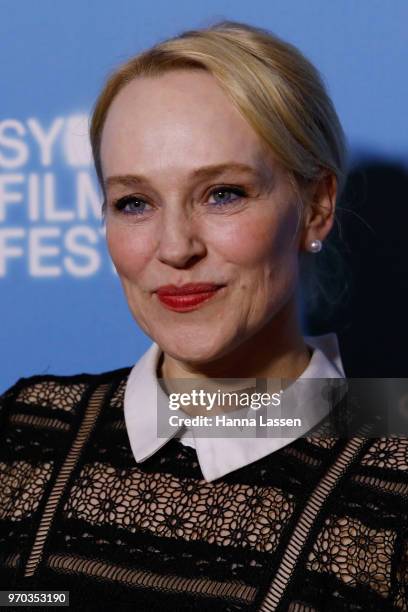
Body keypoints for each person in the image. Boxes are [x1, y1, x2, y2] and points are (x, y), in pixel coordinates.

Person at [0, 20, 406, 612]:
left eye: (223, 193)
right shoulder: (26, 431)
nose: (174, 247)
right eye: (134, 203)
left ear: (316, 207)